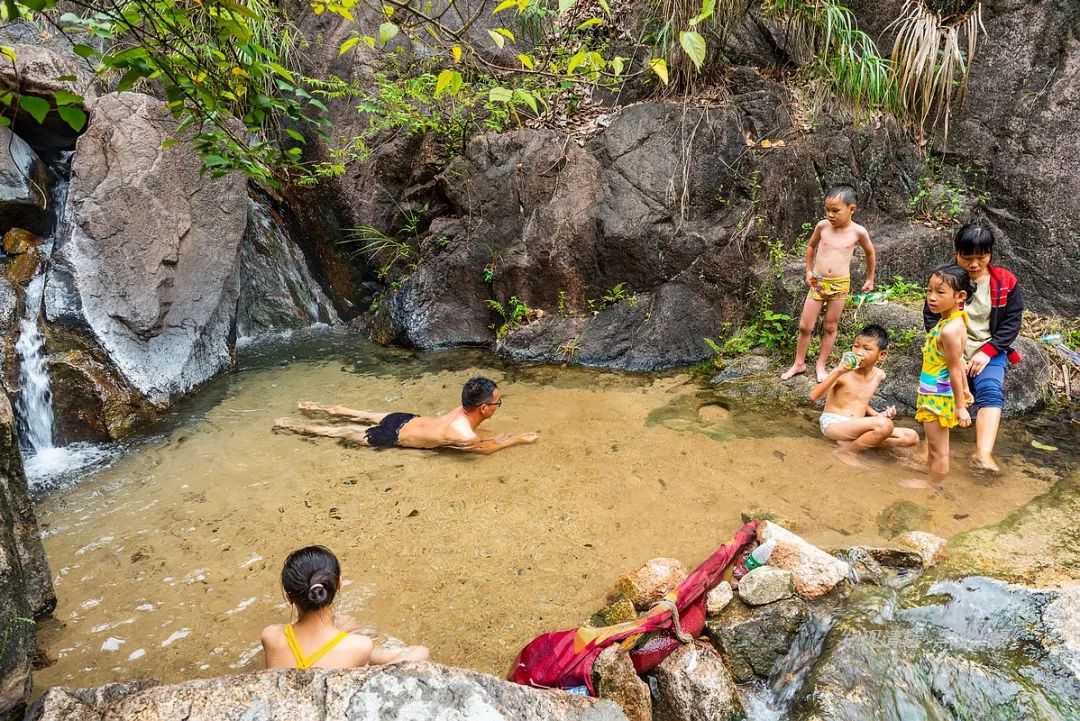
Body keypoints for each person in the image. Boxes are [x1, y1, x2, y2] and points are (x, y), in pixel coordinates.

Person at [923, 222, 1023, 473]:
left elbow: (1011, 323)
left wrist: (988, 352)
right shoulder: (947, 279)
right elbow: (931, 315)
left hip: (988, 350)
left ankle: (983, 453)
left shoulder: (1005, 282)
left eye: (982, 257)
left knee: (990, 390)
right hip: (950, 350)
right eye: (967, 258)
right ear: (957, 253)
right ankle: (929, 450)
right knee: (937, 396)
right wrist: (953, 355)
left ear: (990, 254)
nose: (975, 265)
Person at [273, 376, 539, 455]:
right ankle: (293, 426)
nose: (498, 404)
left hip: (405, 418)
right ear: (484, 409)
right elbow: (485, 449)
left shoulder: (461, 410)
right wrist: (517, 440)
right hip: (392, 435)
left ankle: (313, 408)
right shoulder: (465, 435)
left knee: (353, 413)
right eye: (497, 402)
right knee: (339, 432)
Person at [262, 545, 429, 669]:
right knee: (422, 651)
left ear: (289, 596)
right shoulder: (360, 646)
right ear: (339, 583)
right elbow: (417, 655)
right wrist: (350, 635)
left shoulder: (270, 636)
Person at [783, 184, 877, 382]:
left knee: (830, 326)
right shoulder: (822, 226)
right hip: (818, 281)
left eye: (836, 210)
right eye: (827, 210)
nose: (830, 215)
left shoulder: (858, 232)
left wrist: (870, 278)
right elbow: (811, 246)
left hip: (840, 284)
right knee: (805, 325)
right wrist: (808, 270)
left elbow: (870, 253)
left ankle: (820, 365)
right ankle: (799, 363)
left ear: (852, 209)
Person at [904, 265, 974, 490]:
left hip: (938, 397)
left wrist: (960, 407)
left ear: (960, 296)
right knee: (935, 447)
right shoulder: (953, 320)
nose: (932, 298)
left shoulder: (949, 330)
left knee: (939, 449)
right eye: (929, 291)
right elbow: (960, 361)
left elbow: (954, 367)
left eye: (940, 292)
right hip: (935, 393)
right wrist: (964, 389)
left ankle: (933, 486)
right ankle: (931, 471)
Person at [809, 324, 919, 466]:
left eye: (867, 349)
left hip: (856, 426)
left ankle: (850, 443)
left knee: (911, 437)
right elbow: (814, 396)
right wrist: (838, 371)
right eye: (856, 346)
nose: (859, 352)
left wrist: (878, 415)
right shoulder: (843, 373)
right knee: (884, 425)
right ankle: (848, 451)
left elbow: (860, 400)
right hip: (834, 424)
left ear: (881, 355)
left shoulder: (879, 375)